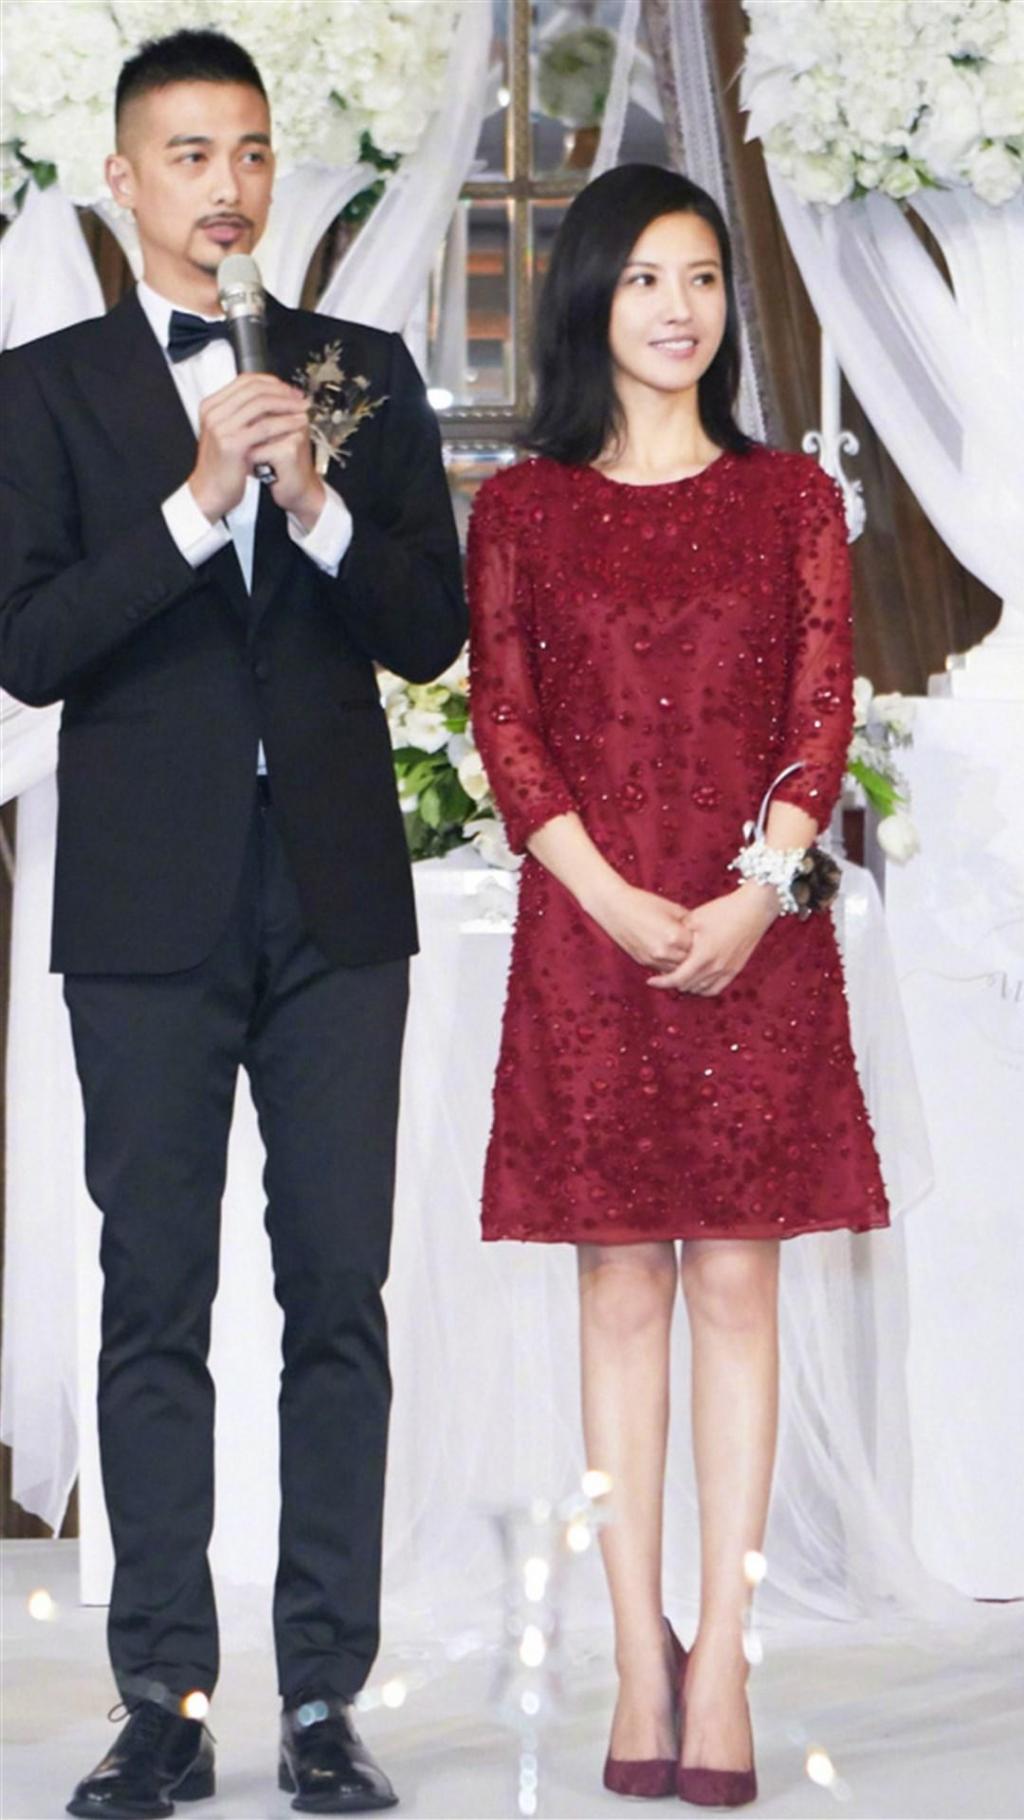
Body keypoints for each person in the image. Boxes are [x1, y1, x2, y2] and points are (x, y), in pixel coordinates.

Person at [0, 28, 465, 1820]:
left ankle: (327, 1699)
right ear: (124, 181)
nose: (227, 185)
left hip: (337, 901)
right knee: (155, 1302)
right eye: (190, 155)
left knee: (340, 1294)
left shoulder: (361, 370)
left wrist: (316, 508)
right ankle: (166, 1702)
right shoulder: (43, 392)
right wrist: (198, 507)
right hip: (144, 910)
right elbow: (29, 646)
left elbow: (428, 631)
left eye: (252, 152)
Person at [467, 163, 889, 1809]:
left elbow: (821, 709)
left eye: (701, 276)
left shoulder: (790, 500)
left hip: (753, 945)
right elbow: (508, 726)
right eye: (645, 276)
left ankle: (722, 1653)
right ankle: (635, 1657)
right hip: (592, 941)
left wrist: (758, 896)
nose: (677, 306)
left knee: (737, 1287)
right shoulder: (523, 509)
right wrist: (612, 899)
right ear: (591, 297)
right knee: (621, 1292)